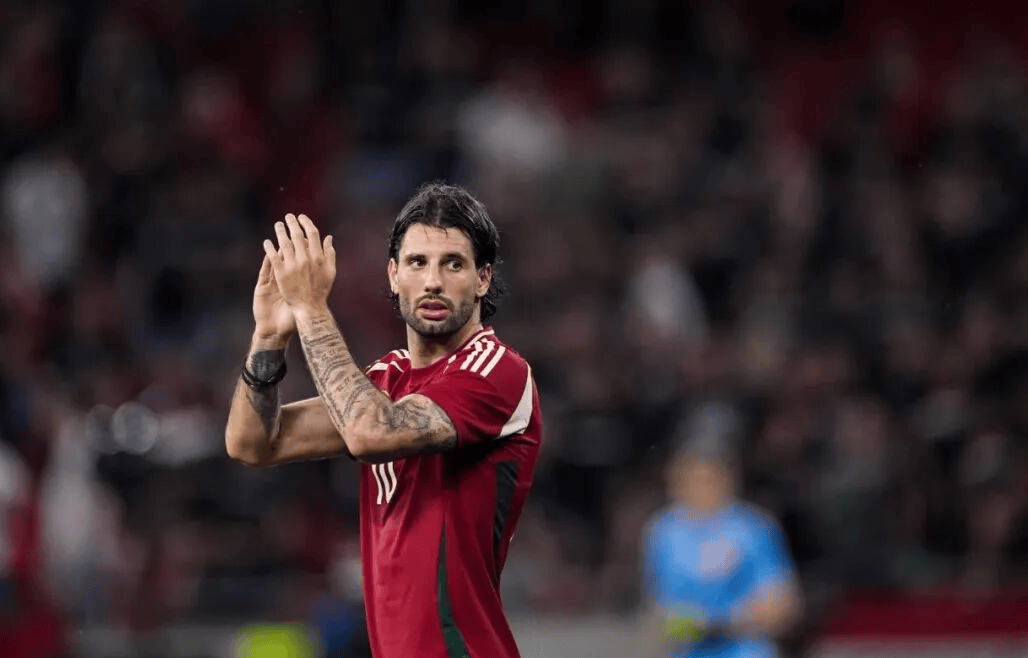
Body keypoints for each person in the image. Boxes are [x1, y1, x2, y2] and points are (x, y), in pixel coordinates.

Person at [224, 183, 542, 658]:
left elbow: (369, 432)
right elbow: (252, 443)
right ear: (393, 275)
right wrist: (269, 337)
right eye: (417, 262)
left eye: (453, 264)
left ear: (483, 279)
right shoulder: (386, 380)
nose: (432, 281)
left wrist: (310, 307)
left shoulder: (496, 370)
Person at [641, 435, 802, 658]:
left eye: (707, 479)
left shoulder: (753, 528)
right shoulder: (663, 532)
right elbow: (658, 609)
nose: (699, 488)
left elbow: (783, 606)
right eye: (690, 479)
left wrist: (719, 623)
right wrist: (681, 624)